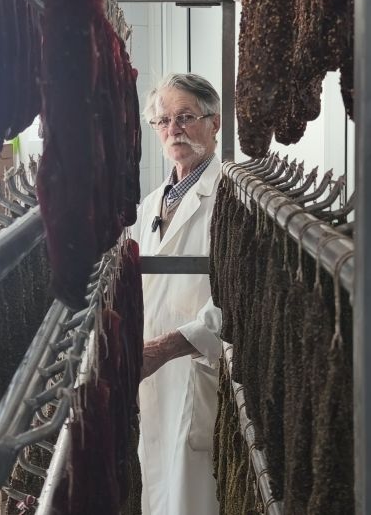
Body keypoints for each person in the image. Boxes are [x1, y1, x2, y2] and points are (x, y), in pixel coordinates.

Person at [134, 72, 224, 515]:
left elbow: (241, 300)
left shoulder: (231, 199)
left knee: (194, 498)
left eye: (186, 117)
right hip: (150, 378)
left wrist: (168, 346)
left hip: (197, 373)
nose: (174, 129)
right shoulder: (150, 205)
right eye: (163, 120)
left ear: (214, 123)